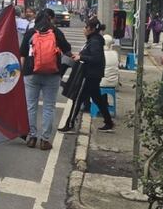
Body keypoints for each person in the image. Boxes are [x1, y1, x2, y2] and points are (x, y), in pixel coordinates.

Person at [20, 9, 72, 150]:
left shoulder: (30, 33)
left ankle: (32, 137)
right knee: (49, 107)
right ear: (50, 20)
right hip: (52, 74)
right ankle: (45, 140)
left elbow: (23, 54)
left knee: (31, 105)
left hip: (31, 74)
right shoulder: (55, 32)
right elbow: (67, 50)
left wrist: (22, 72)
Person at [59, 17, 115, 133]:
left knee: (78, 98)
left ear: (91, 29)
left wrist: (81, 57)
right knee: (97, 98)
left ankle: (70, 124)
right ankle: (108, 122)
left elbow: (96, 58)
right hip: (93, 74)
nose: (84, 29)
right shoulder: (93, 39)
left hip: (90, 75)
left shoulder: (95, 41)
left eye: (86, 27)